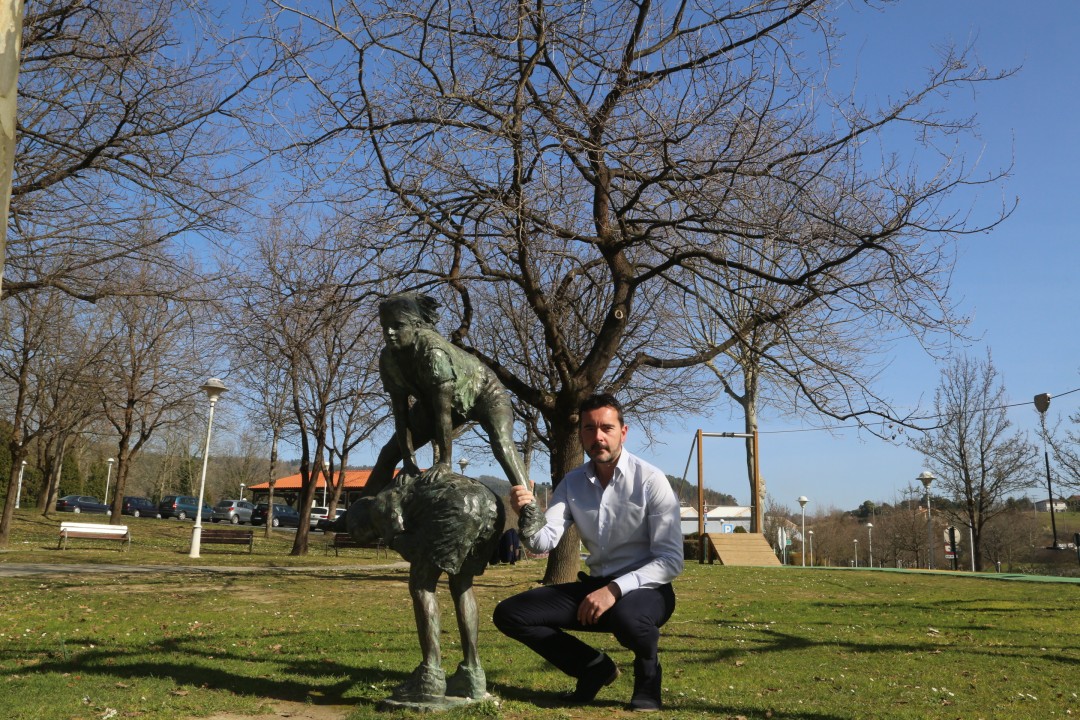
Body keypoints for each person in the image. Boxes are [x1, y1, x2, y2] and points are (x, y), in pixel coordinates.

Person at [492, 393, 683, 712]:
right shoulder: (572, 483)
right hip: (596, 587)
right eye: (589, 429)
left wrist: (614, 590)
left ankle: (648, 678)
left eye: (606, 428)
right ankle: (593, 668)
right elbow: (542, 542)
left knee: (627, 617)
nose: (598, 437)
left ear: (623, 432)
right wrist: (527, 514)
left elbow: (671, 560)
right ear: (580, 434)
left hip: (649, 590)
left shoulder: (651, 480)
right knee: (510, 614)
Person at [364, 291, 532, 494]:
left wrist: (444, 462)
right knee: (388, 454)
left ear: (416, 326)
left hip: (484, 392)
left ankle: (529, 506)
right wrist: (409, 461)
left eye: (398, 326)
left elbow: (442, 413)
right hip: (434, 402)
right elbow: (401, 416)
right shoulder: (388, 359)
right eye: (385, 327)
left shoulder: (433, 351)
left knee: (502, 443)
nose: (389, 332)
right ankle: (360, 508)